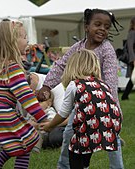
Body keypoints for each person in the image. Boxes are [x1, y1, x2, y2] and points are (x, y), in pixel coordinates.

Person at [38, 8, 124, 169]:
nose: (102, 29)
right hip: (81, 105)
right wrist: (46, 86)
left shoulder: (107, 49)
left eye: (106, 27)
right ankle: (63, 166)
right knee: (69, 135)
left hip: (102, 104)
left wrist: (115, 111)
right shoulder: (77, 47)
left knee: (114, 141)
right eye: (97, 24)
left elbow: (111, 80)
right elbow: (60, 65)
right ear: (86, 26)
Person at [0, 20, 47, 169]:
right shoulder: (13, 67)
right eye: (24, 38)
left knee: (20, 140)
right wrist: (42, 117)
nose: (28, 42)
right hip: (2, 112)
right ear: (12, 41)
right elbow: (26, 97)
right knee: (29, 140)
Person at [121, 17, 135, 100]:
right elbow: (130, 47)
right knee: (133, 78)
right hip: (133, 58)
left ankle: (125, 95)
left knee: (132, 79)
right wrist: (133, 59)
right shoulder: (132, 33)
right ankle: (124, 95)